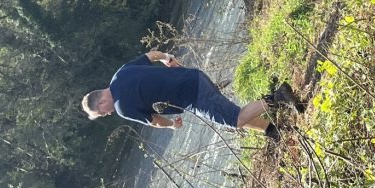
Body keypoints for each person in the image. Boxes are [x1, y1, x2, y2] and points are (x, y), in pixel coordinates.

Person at [81, 50, 305, 139]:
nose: (106, 114)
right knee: (229, 114)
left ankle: (277, 97)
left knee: (235, 119)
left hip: (192, 96)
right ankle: (271, 130)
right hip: (194, 76)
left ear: (101, 102)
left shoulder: (122, 107)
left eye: (102, 113)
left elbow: (154, 121)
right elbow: (151, 55)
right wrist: (167, 58)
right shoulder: (120, 73)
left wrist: (172, 125)